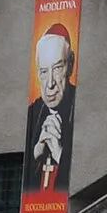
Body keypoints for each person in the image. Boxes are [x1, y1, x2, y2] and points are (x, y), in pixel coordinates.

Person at [27, 25, 76, 189]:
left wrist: (58, 153)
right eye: (43, 72)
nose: (50, 84)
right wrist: (36, 153)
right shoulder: (34, 111)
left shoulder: (78, 107)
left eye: (57, 69)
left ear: (70, 65)